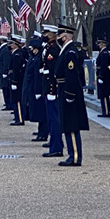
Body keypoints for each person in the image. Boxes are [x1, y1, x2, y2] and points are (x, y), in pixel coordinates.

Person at [54, 24, 89, 167]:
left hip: (69, 92)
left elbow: (72, 74)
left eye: (59, 35)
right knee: (67, 124)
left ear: (65, 36)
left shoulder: (70, 52)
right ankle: (72, 154)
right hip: (63, 89)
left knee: (71, 125)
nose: (58, 38)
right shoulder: (66, 50)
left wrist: (69, 93)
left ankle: (74, 156)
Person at [41, 25, 64, 158]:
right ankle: (55, 144)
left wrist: (52, 90)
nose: (45, 35)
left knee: (54, 119)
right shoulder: (49, 48)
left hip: (52, 90)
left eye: (47, 33)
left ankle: (56, 147)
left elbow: (54, 73)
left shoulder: (54, 49)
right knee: (51, 119)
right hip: (48, 89)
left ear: (52, 34)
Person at [24, 38, 48, 141]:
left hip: (37, 89)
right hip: (32, 88)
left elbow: (38, 76)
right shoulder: (34, 58)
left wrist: (38, 91)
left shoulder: (38, 59)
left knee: (41, 112)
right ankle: (41, 131)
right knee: (38, 112)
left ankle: (43, 133)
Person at [95, 38, 110, 117]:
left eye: (99, 44)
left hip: (104, 75)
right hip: (102, 73)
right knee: (103, 94)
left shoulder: (104, 53)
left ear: (102, 44)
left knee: (104, 94)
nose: (99, 45)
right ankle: (105, 110)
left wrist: (101, 76)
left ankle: (106, 111)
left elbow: (104, 65)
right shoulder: (102, 52)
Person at [8, 36, 25, 126]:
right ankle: (17, 117)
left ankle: (20, 118)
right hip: (14, 79)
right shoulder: (14, 54)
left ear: (15, 45)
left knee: (17, 100)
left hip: (17, 81)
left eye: (11, 44)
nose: (9, 45)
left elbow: (16, 69)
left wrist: (14, 81)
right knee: (14, 99)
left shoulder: (17, 55)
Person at [0, 36, 11, 110]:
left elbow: (6, 62)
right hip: (2, 72)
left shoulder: (5, 50)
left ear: (1, 41)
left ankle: (8, 104)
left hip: (4, 73)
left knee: (6, 89)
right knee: (4, 89)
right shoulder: (3, 49)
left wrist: (5, 72)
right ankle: (7, 103)